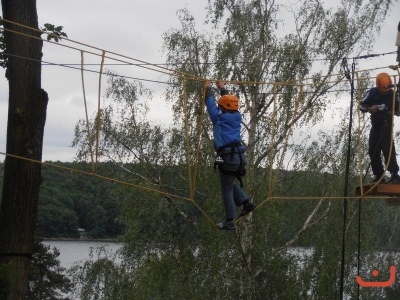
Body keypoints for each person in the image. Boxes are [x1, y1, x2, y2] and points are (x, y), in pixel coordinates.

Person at [204, 80, 255, 230]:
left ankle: (229, 221)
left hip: (228, 157)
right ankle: (246, 203)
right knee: (228, 183)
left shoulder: (218, 117)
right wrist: (223, 89)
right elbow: (228, 104)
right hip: (240, 158)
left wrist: (207, 88)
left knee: (226, 188)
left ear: (222, 107)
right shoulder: (237, 116)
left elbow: (210, 104)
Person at [360, 72, 400, 183]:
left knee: (388, 148)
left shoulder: (393, 95)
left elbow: (398, 111)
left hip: (386, 124)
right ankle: (379, 174)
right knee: (373, 149)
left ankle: (394, 174)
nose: (384, 92)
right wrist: (370, 109)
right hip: (376, 124)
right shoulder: (372, 92)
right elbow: (362, 105)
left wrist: (389, 109)